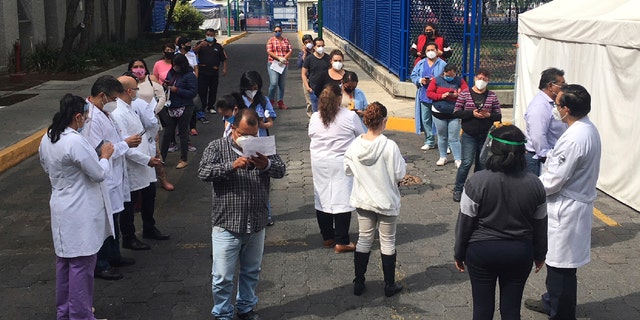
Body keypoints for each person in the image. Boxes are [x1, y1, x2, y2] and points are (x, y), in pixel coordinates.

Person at [197, 108, 286, 320]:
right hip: (227, 222)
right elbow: (203, 172)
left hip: (256, 222)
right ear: (233, 128)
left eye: (253, 136)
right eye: (244, 135)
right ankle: (222, 313)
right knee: (222, 276)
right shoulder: (216, 147)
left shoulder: (263, 148)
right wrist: (231, 166)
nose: (248, 140)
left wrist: (266, 165)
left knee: (251, 272)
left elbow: (281, 170)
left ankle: (246, 307)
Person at [453, 125, 548, 320]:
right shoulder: (536, 184)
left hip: (481, 252)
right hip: (520, 253)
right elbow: (540, 224)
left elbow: (465, 222)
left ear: (492, 149)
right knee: (512, 310)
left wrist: (459, 253)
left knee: (482, 309)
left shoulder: (477, 181)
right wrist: (540, 254)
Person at [524, 84, 602, 320]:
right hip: (571, 205)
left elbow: (553, 180)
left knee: (561, 268)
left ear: (566, 110)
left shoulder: (574, 139)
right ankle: (551, 301)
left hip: (566, 210)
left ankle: (561, 314)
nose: (556, 109)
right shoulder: (586, 128)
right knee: (558, 263)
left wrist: (526, 189)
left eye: (557, 105)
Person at [39, 94, 115, 320]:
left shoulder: (49, 136)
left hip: (61, 204)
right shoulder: (75, 141)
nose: (86, 122)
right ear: (78, 116)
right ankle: (81, 315)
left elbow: (46, 166)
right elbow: (99, 173)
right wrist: (105, 156)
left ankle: (65, 313)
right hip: (80, 208)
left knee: (64, 263)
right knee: (82, 265)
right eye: (86, 118)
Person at [344, 102, 406, 298]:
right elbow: (399, 173)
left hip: (363, 200)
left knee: (364, 239)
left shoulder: (354, 145)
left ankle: (359, 281)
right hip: (386, 201)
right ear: (384, 121)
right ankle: (389, 285)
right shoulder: (390, 146)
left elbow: (347, 169)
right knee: (387, 242)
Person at [82, 75, 141, 279]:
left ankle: (114, 256)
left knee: (113, 217)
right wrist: (125, 144)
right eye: (113, 99)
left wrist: (123, 141)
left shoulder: (103, 113)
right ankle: (101, 263)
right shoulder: (89, 118)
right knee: (103, 222)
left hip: (115, 174)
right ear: (102, 96)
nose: (116, 103)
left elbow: (112, 141)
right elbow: (99, 150)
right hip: (104, 175)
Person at [111, 75, 168, 250]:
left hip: (145, 159)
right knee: (130, 202)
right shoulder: (118, 112)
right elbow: (124, 145)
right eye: (136, 89)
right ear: (129, 91)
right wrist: (146, 159)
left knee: (149, 194)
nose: (138, 92)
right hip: (133, 163)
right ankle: (129, 236)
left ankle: (149, 227)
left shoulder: (130, 107)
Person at [309, 84, 365, 253]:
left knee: (323, 197)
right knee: (342, 199)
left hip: (319, 162)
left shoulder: (315, 117)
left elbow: (311, 135)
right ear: (340, 99)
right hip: (341, 162)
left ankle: (327, 237)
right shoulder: (349, 116)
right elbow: (361, 136)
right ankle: (342, 241)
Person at [452, 69, 502, 202]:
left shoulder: (492, 95)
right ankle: (458, 189)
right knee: (467, 162)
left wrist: (488, 115)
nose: (482, 81)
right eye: (480, 78)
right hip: (469, 134)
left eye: (485, 79)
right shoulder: (465, 94)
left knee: (482, 163)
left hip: (485, 135)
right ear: (474, 78)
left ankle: (478, 189)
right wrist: (471, 113)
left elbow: (498, 115)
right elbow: (456, 112)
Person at [127, 58, 174, 191]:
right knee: (136, 153)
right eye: (135, 66)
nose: (138, 69)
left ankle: (163, 179)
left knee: (155, 153)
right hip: (133, 124)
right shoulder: (126, 83)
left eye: (141, 66)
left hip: (150, 124)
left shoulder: (150, 80)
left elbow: (162, 97)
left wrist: (153, 111)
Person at [524, 67, 568, 175]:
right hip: (538, 159)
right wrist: (546, 157)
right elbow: (538, 135)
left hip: (551, 155)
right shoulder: (540, 106)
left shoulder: (552, 103)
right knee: (537, 190)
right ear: (550, 86)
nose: (564, 88)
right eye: (562, 85)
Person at [159, 54, 198, 169]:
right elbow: (167, 82)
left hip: (185, 106)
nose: (175, 67)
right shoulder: (172, 72)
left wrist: (178, 90)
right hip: (172, 106)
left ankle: (183, 158)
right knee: (167, 133)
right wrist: (166, 85)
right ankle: (162, 158)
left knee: (183, 133)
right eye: (174, 65)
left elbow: (192, 93)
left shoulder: (190, 76)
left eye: (177, 65)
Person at [427, 64, 468, 167]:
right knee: (442, 136)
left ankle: (458, 159)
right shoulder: (436, 80)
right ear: (444, 73)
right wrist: (441, 96)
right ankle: (443, 157)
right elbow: (429, 93)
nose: (450, 77)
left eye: (452, 75)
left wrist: (458, 95)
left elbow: (466, 92)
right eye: (447, 75)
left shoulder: (459, 80)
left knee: (454, 137)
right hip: (439, 112)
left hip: (454, 112)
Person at [411, 42, 446, 150]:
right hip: (424, 95)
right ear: (425, 52)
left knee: (439, 120)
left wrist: (435, 81)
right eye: (428, 50)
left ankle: (445, 143)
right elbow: (413, 75)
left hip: (437, 97)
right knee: (426, 119)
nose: (431, 52)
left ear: (437, 51)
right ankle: (429, 141)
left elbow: (448, 78)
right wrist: (420, 80)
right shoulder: (421, 63)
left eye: (433, 50)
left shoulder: (443, 64)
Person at [194, 29, 228, 115]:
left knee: (213, 90)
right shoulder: (201, 44)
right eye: (208, 35)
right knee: (202, 91)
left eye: (211, 35)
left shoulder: (218, 46)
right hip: (202, 71)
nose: (209, 37)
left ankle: (211, 106)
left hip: (214, 72)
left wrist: (224, 69)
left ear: (214, 36)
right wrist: (200, 45)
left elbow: (223, 59)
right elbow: (193, 52)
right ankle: (202, 106)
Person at [239, 71, 277, 138]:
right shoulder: (238, 101)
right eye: (249, 89)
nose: (252, 91)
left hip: (261, 140)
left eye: (254, 88)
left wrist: (262, 125)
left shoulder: (263, 100)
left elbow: (270, 123)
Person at [266, 25, 292, 110]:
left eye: (279, 31)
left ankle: (280, 102)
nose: (277, 32)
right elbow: (269, 51)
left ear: (282, 31)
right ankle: (270, 101)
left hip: (283, 64)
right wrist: (278, 58)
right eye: (276, 31)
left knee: (282, 84)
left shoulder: (286, 40)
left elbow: (290, 50)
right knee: (273, 83)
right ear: (273, 32)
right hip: (273, 64)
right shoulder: (271, 40)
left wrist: (284, 58)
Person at [301, 37, 330, 114]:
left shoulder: (328, 58)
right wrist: (308, 88)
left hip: (326, 91)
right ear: (314, 46)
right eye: (318, 46)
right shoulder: (309, 59)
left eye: (322, 46)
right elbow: (303, 74)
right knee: (315, 113)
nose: (321, 48)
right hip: (314, 90)